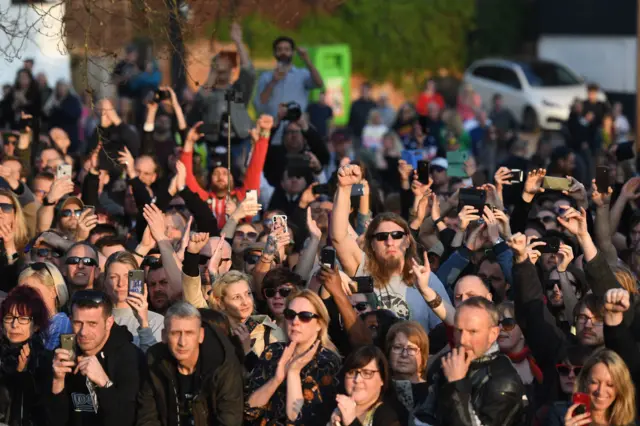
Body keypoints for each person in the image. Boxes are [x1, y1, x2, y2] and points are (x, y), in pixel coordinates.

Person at [331, 164, 450, 332]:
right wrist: (343, 188)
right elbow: (338, 237)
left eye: (396, 235)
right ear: (371, 244)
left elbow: (445, 330)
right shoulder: (363, 269)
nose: (389, 241)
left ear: (408, 240)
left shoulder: (426, 279)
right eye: (381, 237)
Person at [136, 301, 244, 426]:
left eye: (189, 333)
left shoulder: (223, 364)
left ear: (201, 335)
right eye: (175, 333)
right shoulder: (154, 360)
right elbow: (147, 417)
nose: (182, 342)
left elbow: (229, 420)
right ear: (164, 336)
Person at [47, 290, 144, 426]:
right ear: (70, 321)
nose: (83, 332)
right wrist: (58, 382)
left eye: (92, 324)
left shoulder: (130, 358)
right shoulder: (62, 355)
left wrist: (104, 383)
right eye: (78, 323)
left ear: (109, 322)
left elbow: (126, 420)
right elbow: (54, 421)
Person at [245, 290, 341, 425]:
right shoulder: (273, 351)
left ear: (319, 324)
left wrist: (293, 373)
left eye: (305, 316)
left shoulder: (327, 362)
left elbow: (299, 419)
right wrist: (277, 379)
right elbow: (249, 411)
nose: (295, 321)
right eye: (290, 315)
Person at [425, 296, 526, 425]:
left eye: (473, 332)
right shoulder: (445, 362)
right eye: (459, 330)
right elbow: (423, 414)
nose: (463, 340)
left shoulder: (504, 380)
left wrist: (456, 385)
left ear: (493, 334)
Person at [0, 286, 52, 426]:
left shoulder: (44, 360)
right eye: (9, 318)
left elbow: (42, 410)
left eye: (23, 318)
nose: (14, 324)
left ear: (36, 325)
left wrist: (23, 375)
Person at [103, 251, 164, 352]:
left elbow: (153, 362)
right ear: (105, 281)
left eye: (127, 276)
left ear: (138, 279)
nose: (120, 283)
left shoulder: (156, 321)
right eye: (113, 277)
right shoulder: (96, 320)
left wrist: (144, 324)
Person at [330, 345, 402, 426]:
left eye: (367, 373)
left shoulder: (388, 418)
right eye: (352, 373)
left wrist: (352, 422)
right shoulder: (332, 407)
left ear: (382, 379)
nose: (357, 380)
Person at [254, 36, 324, 119]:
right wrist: (273, 81)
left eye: (287, 49)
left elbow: (319, 83)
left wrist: (307, 60)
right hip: (274, 126)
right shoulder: (266, 76)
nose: (283, 52)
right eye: (279, 50)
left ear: (293, 53)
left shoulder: (302, 74)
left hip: (296, 126)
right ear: (274, 53)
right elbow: (260, 103)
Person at [561, 349, 636, 426]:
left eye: (610, 385)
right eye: (594, 382)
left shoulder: (629, 424)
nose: (600, 391)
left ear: (621, 388)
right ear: (585, 382)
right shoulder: (559, 415)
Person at [18, 261, 72, 350]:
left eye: (33, 291)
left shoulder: (65, 326)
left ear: (53, 291)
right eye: (21, 293)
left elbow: (66, 358)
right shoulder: (36, 326)